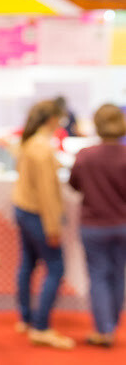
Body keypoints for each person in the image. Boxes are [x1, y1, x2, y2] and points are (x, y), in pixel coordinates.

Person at [12, 100, 74, 349]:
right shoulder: (42, 148)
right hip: (37, 213)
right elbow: (48, 193)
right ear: (51, 119)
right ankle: (41, 326)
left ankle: (27, 318)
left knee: (27, 264)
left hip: (23, 208)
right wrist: (53, 227)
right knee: (56, 268)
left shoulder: (30, 143)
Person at [69, 104, 126, 347]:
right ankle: (111, 322)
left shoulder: (86, 155)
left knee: (99, 275)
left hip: (94, 224)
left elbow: (74, 184)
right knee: (118, 274)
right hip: (121, 223)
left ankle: (104, 329)